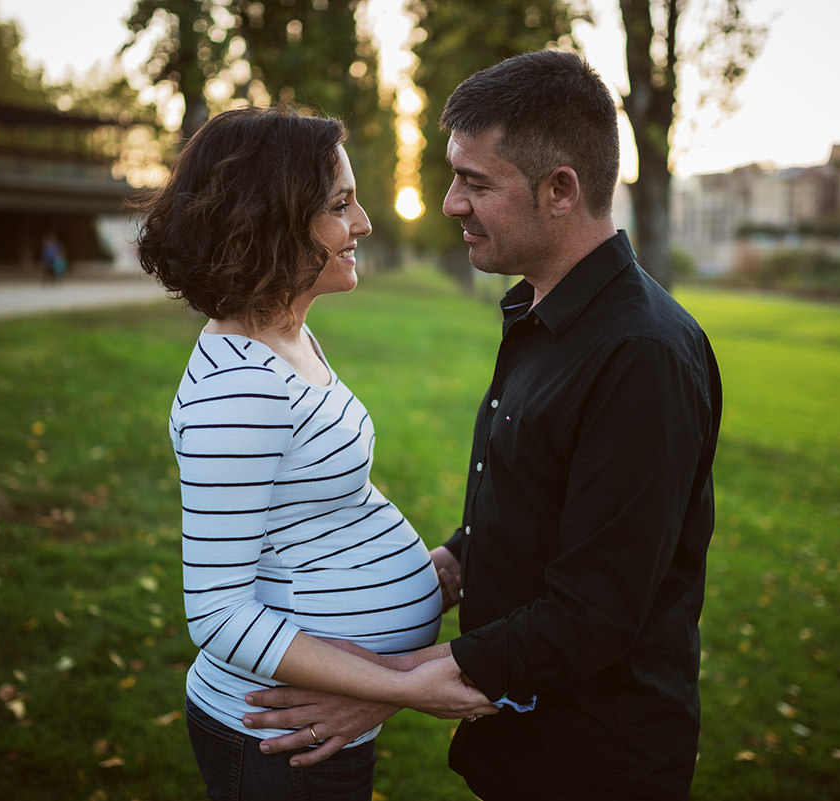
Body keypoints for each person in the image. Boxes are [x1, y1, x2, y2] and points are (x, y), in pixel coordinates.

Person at [245, 51, 723, 800]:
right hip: (517, 746)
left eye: (475, 182)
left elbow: (591, 611)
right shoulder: (542, 312)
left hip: (593, 764)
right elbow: (524, 513)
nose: (449, 204)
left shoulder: (642, 355)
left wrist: (387, 684)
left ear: (560, 189)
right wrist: (425, 581)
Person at [135, 106, 495, 801]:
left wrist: (433, 574)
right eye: (340, 205)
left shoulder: (286, 335)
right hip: (274, 735)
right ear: (271, 220)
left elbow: (319, 508)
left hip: (306, 729)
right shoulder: (237, 387)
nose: (362, 224)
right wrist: (401, 683)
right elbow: (216, 610)